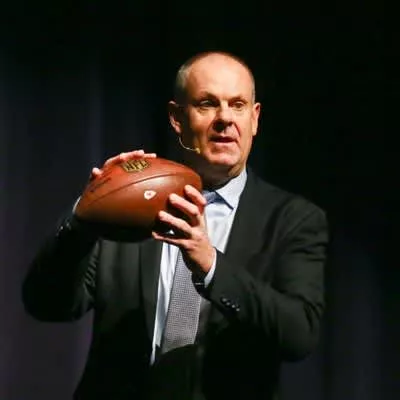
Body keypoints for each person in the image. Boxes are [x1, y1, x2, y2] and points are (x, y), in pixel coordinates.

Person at [22, 51, 329, 400]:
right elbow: (45, 303)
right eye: (207, 104)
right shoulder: (125, 209)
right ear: (176, 117)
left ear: (254, 118)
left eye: (238, 104)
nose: (225, 118)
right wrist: (84, 215)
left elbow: (298, 334)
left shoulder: (293, 219)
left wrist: (211, 267)